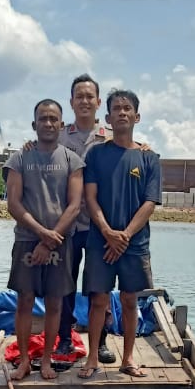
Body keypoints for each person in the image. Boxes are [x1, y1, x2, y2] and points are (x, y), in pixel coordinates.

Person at [80, 90, 161, 379]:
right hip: (99, 241)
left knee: (129, 300)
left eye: (128, 109)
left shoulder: (150, 158)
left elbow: (149, 203)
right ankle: (92, 358)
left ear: (137, 116)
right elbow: (90, 198)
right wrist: (107, 232)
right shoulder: (96, 154)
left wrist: (124, 235)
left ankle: (128, 358)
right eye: (117, 109)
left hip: (135, 243)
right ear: (108, 117)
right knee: (98, 300)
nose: (122, 113)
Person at [4, 99, 84, 381]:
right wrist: (41, 234)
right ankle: (24, 360)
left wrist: (52, 239)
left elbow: (74, 206)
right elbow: (13, 203)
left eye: (53, 119)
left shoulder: (72, 160)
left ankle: (47, 360)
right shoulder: (19, 159)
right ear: (34, 124)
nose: (48, 123)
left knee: (55, 302)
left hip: (61, 241)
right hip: (27, 239)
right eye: (43, 118)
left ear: (61, 125)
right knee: (24, 300)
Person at [57, 74, 114, 363]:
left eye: (89, 96)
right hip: (67, 223)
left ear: (98, 102)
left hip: (96, 224)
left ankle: (100, 342)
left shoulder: (110, 139)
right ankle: (64, 338)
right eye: (79, 96)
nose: (84, 101)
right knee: (64, 283)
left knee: (98, 285)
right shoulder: (59, 136)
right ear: (71, 102)